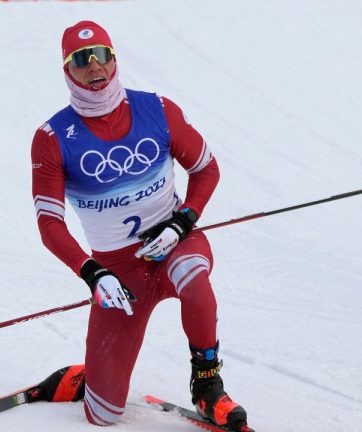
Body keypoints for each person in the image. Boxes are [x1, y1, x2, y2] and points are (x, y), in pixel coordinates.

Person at [30, 20, 253, 432]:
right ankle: (87, 378)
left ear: (114, 59)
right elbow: (49, 224)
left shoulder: (157, 110)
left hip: (174, 243)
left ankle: (207, 385)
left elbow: (206, 170)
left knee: (194, 276)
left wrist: (182, 222)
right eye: (81, 59)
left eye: (102, 55)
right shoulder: (53, 137)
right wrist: (93, 273)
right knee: (103, 417)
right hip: (117, 273)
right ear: (67, 70)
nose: (94, 66)